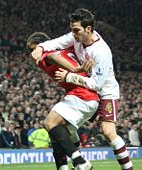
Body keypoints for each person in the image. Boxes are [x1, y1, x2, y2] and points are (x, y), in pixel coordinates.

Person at [31, 8, 133, 170]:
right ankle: (78, 164)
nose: (73, 34)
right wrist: (40, 47)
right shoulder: (76, 37)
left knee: (108, 132)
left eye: (76, 30)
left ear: (88, 29)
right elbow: (56, 42)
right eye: (72, 30)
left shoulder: (101, 52)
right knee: (65, 128)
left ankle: (127, 168)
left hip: (105, 92)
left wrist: (69, 77)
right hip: (85, 90)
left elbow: (96, 84)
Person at [27, 32, 99, 170]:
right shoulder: (66, 50)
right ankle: (63, 168)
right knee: (55, 133)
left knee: (50, 122)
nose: (31, 54)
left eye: (32, 49)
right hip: (86, 96)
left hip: (82, 95)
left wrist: (76, 69)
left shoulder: (46, 55)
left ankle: (81, 162)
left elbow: (51, 56)